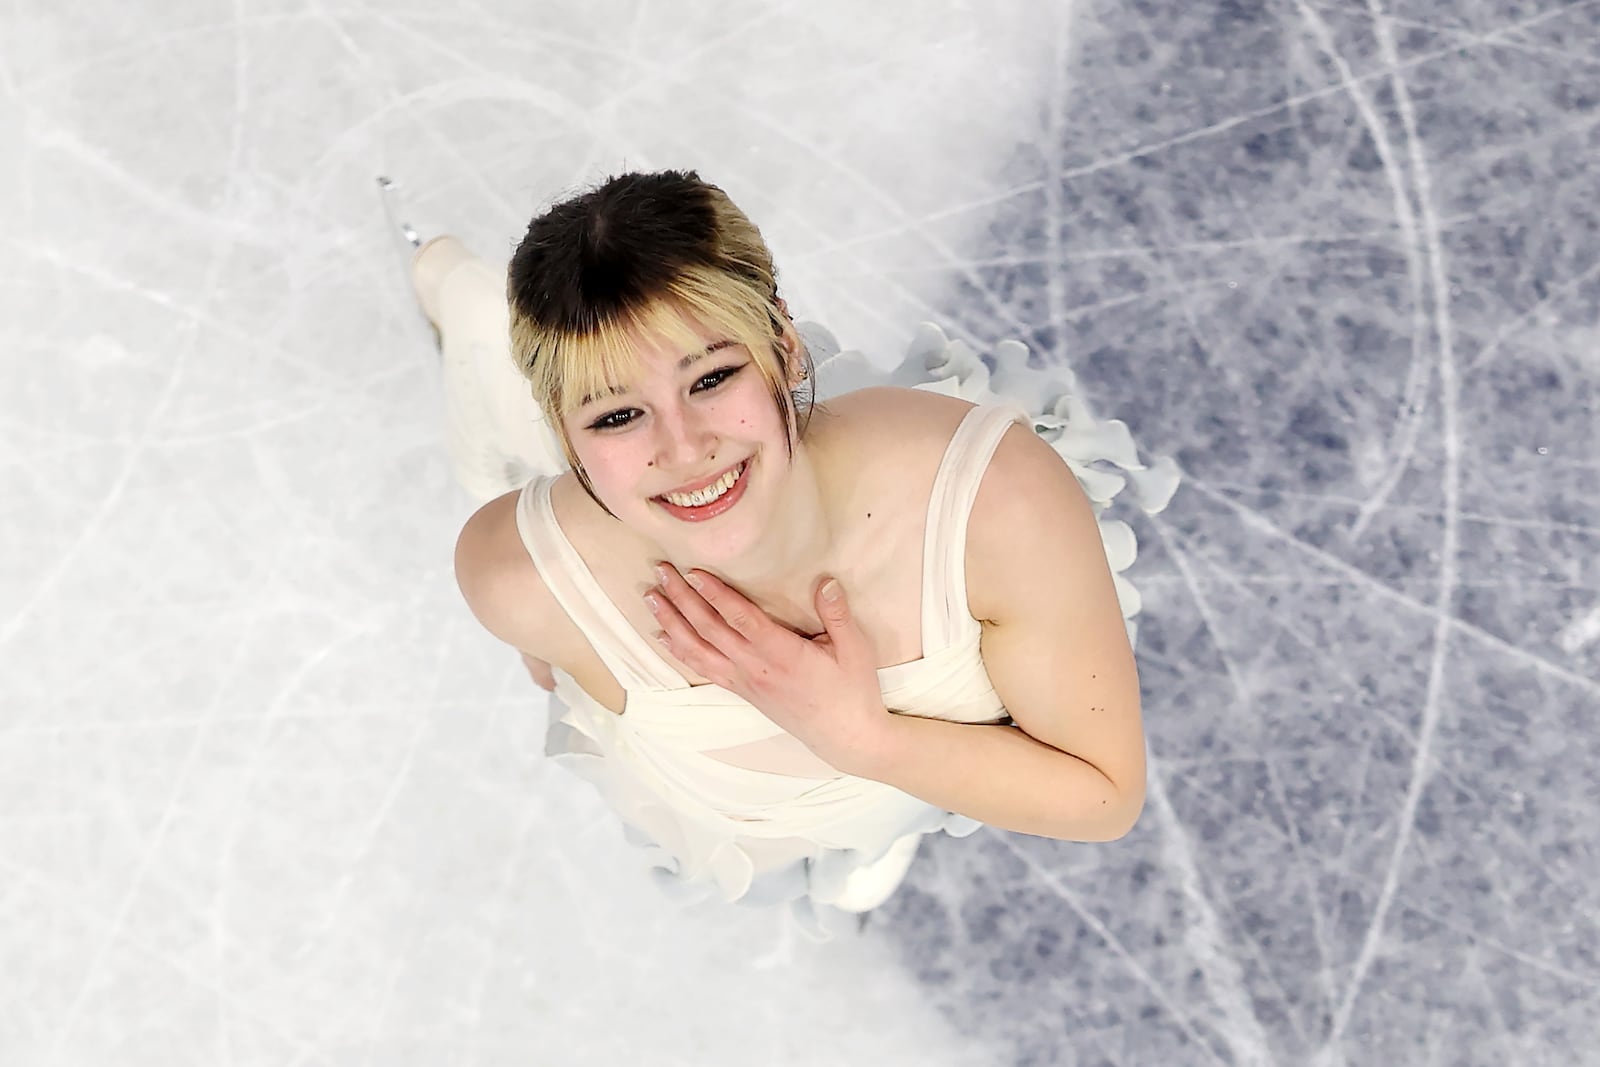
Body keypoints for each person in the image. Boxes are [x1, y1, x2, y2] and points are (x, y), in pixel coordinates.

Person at [397, 170, 1180, 940]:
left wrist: (866, 740)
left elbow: (1104, 794)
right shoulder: (520, 578)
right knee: (507, 458)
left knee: (878, 833)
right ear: (566, 435)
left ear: (784, 346)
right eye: (617, 415)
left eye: (711, 376)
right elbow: (552, 663)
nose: (687, 447)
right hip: (611, 599)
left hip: (901, 637)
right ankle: (478, 332)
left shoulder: (998, 509)